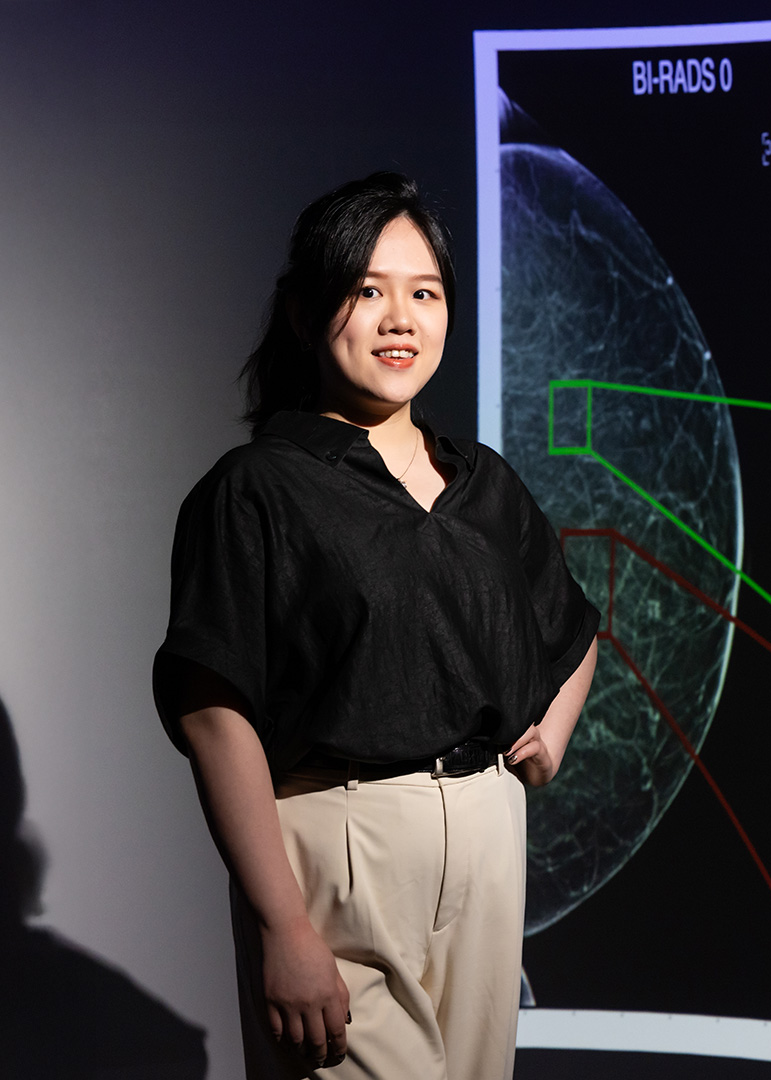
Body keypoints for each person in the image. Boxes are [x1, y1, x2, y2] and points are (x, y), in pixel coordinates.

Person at [153, 172, 599, 1080]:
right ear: (303, 311)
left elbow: (572, 628)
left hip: (486, 832)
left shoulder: (484, 482)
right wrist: (282, 922)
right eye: (367, 290)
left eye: (424, 294)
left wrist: (550, 737)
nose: (401, 319)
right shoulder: (256, 489)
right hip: (339, 840)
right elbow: (213, 712)